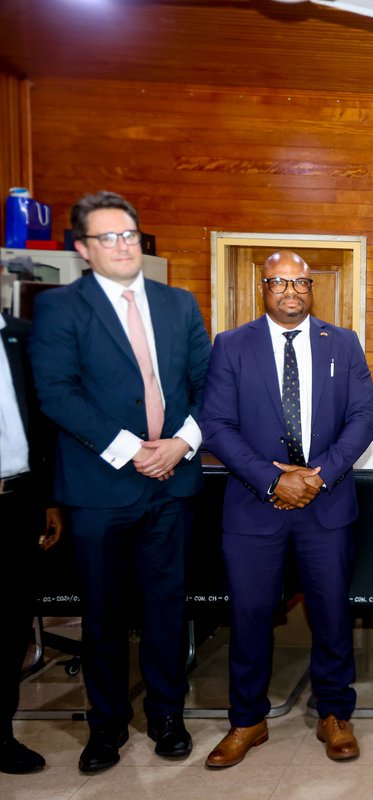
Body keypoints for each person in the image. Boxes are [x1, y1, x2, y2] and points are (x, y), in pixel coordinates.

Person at [29, 191, 209, 773]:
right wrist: (133, 450)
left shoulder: (179, 304)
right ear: (83, 249)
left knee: (166, 609)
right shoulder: (61, 308)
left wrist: (181, 444)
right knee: (102, 615)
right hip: (100, 489)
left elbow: (211, 387)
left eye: (129, 234)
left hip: (173, 483)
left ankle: (166, 717)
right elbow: (56, 394)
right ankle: (105, 728)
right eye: (108, 237)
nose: (123, 245)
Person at [200, 251, 373, 767]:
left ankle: (334, 713)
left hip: (327, 502)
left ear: (311, 287)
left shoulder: (341, 342)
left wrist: (317, 476)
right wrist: (273, 478)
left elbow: (363, 417)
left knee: (331, 613)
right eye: (279, 283)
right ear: (263, 287)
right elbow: (216, 425)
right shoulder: (232, 345)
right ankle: (247, 720)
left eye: (299, 282)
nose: (290, 291)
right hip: (255, 507)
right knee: (250, 616)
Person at [0, 309, 62, 774]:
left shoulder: (23, 339)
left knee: (10, 625)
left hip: (17, 502)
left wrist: (47, 501)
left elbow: (41, 423)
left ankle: (2, 737)